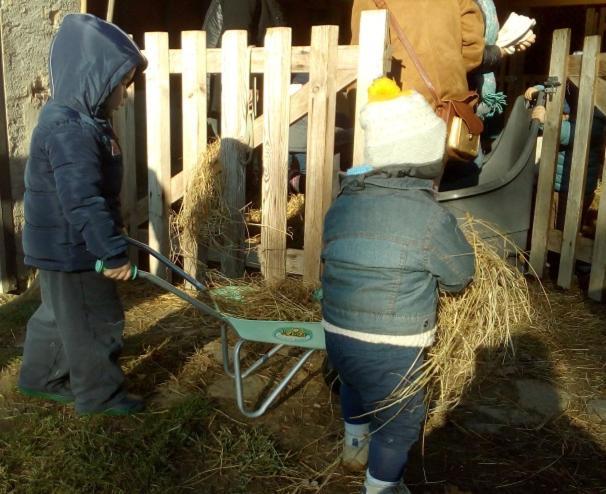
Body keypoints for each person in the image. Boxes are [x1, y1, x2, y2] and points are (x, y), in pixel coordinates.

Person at [321, 78, 475, 494]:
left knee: (353, 383)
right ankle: (380, 486)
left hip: (335, 332)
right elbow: (460, 274)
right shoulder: (430, 218)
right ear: (426, 161)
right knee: (400, 422)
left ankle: (354, 446)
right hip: (392, 347)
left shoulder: (343, 201)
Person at [18, 14, 148, 416]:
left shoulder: (80, 119)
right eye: (120, 85)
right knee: (96, 319)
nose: (123, 96)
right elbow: (82, 199)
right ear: (93, 76)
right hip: (75, 247)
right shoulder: (70, 129)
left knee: (58, 315)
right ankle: (100, 396)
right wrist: (110, 253)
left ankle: (39, 378)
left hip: (58, 243)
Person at [350, 0, 485, 109]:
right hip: (453, 108)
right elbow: (474, 48)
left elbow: (362, 60)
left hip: (402, 109)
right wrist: (448, 72)